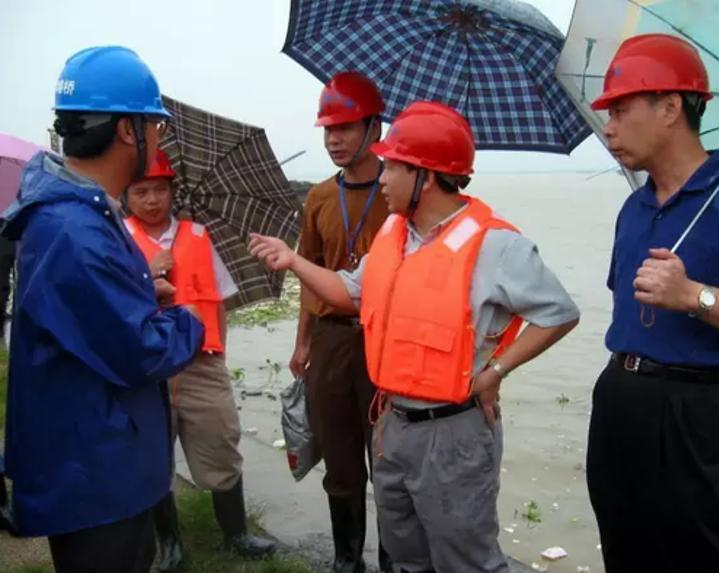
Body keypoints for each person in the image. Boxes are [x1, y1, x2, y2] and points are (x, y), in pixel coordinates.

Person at [250, 101, 580, 573]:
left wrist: (495, 371)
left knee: (466, 562)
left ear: (425, 176)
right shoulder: (393, 233)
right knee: (406, 558)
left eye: (392, 168)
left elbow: (559, 313)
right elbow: (349, 293)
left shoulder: (497, 246)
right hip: (391, 425)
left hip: (454, 433)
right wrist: (294, 261)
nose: (381, 179)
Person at [586, 34, 719, 573]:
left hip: (695, 408)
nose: (608, 127)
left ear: (670, 107)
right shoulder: (634, 208)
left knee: (696, 554)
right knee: (622, 545)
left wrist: (695, 296)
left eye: (620, 109)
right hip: (620, 397)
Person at [0, 46, 205, 573]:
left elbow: (90, 318)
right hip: (95, 473)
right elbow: (140, 351)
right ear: (126, 131)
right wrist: (189, 321)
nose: (158, 138)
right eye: (153, 126)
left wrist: (140, 296)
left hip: (90, 458)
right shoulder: (74, 229)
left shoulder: (77, 213)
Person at [124, 149, 276, 569]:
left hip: (201, 363)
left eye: (159, 190)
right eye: (141, 191)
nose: (152, 200)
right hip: (147, 370)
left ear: (172, 191)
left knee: (221, 445)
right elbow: (108, 305)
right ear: (127, 196)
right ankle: (169, 545)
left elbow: (220, 299)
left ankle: (237, 533)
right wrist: (146, 274)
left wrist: (220, 352)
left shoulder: (198, 236)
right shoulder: (118, 240)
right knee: (152, 456)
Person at [290, 71, 391, 573]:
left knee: (391, 461)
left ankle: (397, 560)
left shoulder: (400, 189)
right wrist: (303, 343)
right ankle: (346, 559)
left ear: (375, 127)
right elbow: (308, 273)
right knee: (340, 457)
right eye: (328, 129)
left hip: (386, 342)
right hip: (331, 341)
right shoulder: (318, 197)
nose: (334, 139)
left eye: (346, 127)